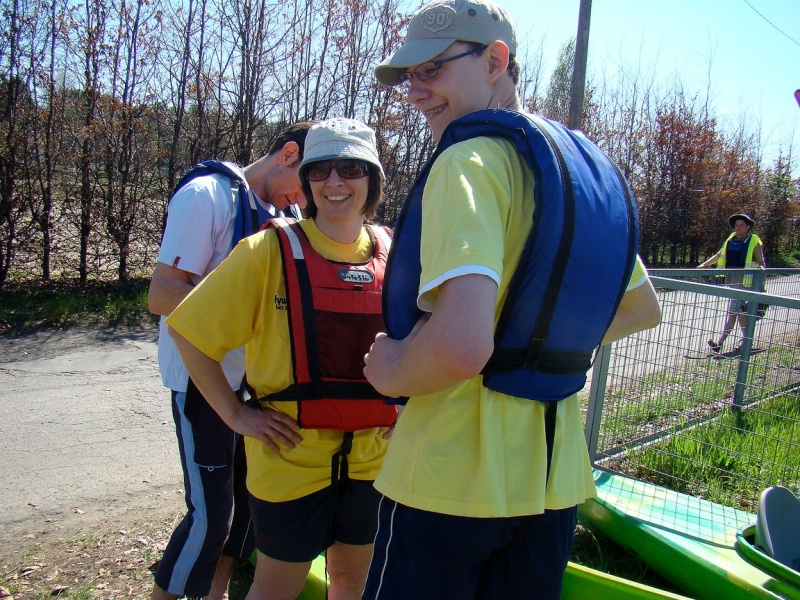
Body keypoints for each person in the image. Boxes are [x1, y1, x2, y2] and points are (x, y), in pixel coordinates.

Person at [362, 1, 662, 598]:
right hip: (553, 484)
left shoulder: (467, 161)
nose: (417, 92)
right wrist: (534, 344)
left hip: (448, 477)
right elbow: (638, 306)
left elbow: (462, 347)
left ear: (496, 60)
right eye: (408, 78)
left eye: (434, 70)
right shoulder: (575, 168)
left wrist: (390, 370)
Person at [165, 117, 396, 600]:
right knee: (276, 586)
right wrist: (234, 413)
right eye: (321, 170)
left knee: (353, 581)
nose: (335, 182)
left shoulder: (391, 255)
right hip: (290, 458)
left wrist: (408, 407)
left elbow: (420, 340)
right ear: (307, 179)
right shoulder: (267, 250)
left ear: (371, 179)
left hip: (372, 459)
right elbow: (189, 330)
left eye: (351, 168)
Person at [148, 122, 313, 600]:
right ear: (287, 154)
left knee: (245, 508)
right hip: (202, 382)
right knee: (210, 515)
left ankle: (217, 593)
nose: (307, 198)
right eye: (308, 179)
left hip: (256, 385)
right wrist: (245, 310)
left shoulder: (285, 212)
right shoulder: (207, 196)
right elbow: (162, 294)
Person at [699, 213, 765, 353]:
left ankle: (721, 341)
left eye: (741, 225)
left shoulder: (753, 240)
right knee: (738, 312)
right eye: (736, 225)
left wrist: (761, 286)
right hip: (732, 281)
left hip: (747, 283)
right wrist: (704, 265)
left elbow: (761, 263)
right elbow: (719, 255)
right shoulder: (731, 239)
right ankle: (745, 342)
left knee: (734, 310)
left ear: (748, 227)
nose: (738, 227)